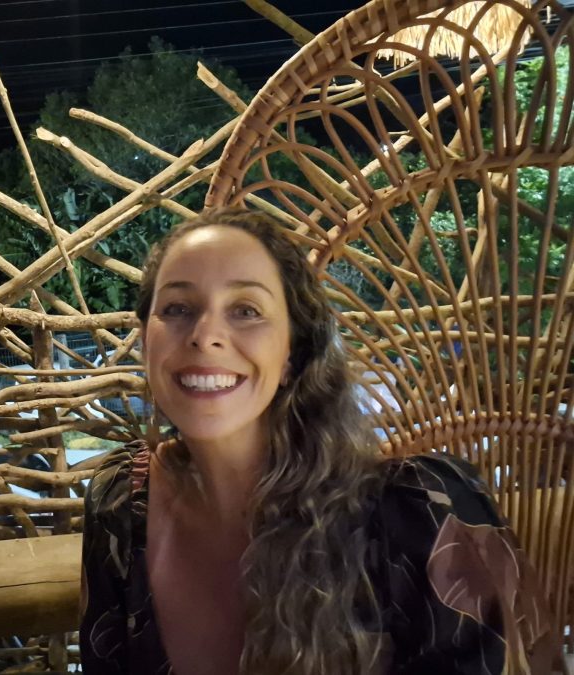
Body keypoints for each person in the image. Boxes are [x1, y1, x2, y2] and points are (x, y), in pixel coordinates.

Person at [79, 208, 559, 674]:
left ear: (291, 353)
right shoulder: (121, 503)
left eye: (246, 311)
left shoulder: (423, 515)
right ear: (146, 340)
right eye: (177, 309)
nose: (205, 335)